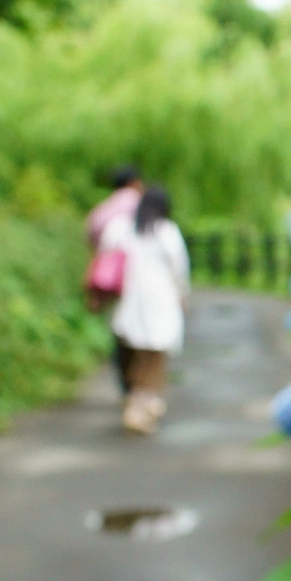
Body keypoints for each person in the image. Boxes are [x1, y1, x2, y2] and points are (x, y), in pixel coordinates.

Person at [100, 186, 190, 434]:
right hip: (161, 302)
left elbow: (105, 250)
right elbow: (180, 270)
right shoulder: (168, 232)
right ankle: (146, 404)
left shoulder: (125, 229)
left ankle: (136, 403)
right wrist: (183, 297)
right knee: (155, 357)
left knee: (135, 354)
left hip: (131, 301)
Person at [86, 166, 145, 394]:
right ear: (134, 182)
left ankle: (124, 379)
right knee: (139, 328)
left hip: (110, 276)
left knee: (118, 326)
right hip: (136, 275)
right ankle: (137, 382)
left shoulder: (104, 208)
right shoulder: (137, 203)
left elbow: (90, 234)